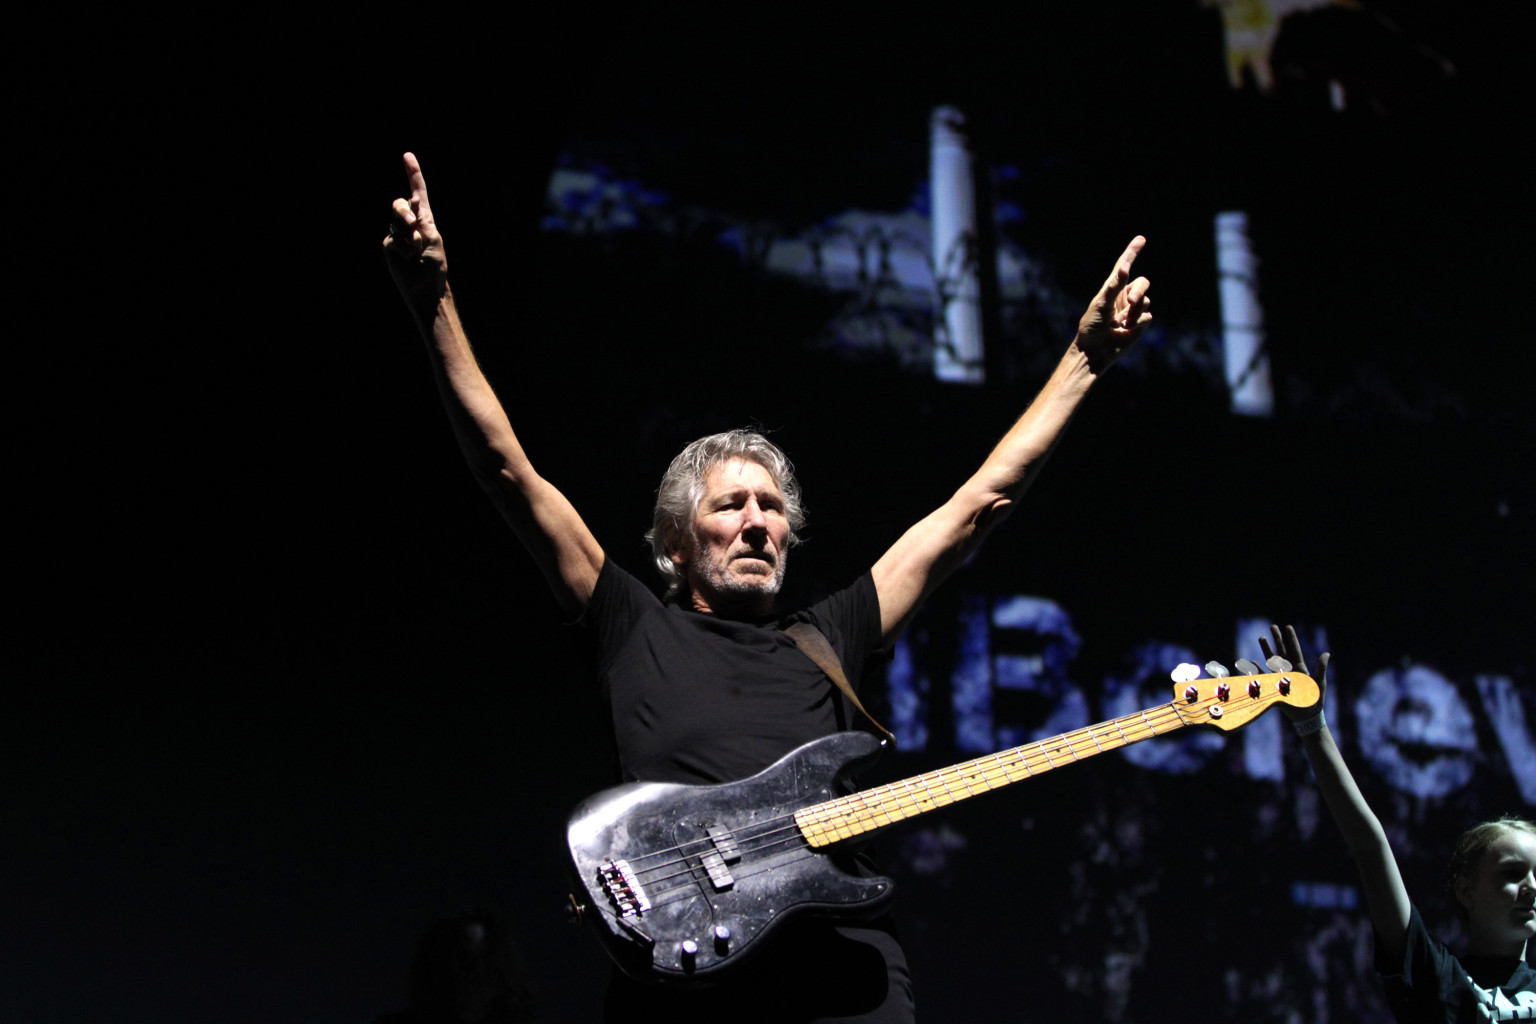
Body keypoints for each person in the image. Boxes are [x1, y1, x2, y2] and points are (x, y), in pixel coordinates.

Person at [384, 151, 1153, 1023]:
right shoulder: (630, 622)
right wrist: (434, 303)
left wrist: (1086, 359)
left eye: (773, 507)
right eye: (732, 505)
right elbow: (506, 472)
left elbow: (980, 506)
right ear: (678, 537)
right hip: (680, 977)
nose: (759, 521)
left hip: (840, 983)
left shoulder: (834, 632)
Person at [1265, 624, 1536, 1022]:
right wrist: (1312, 727)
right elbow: (1369, 844)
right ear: (1465, 889)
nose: (1532, 886)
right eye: (1512, 873)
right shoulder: (1438, 976)